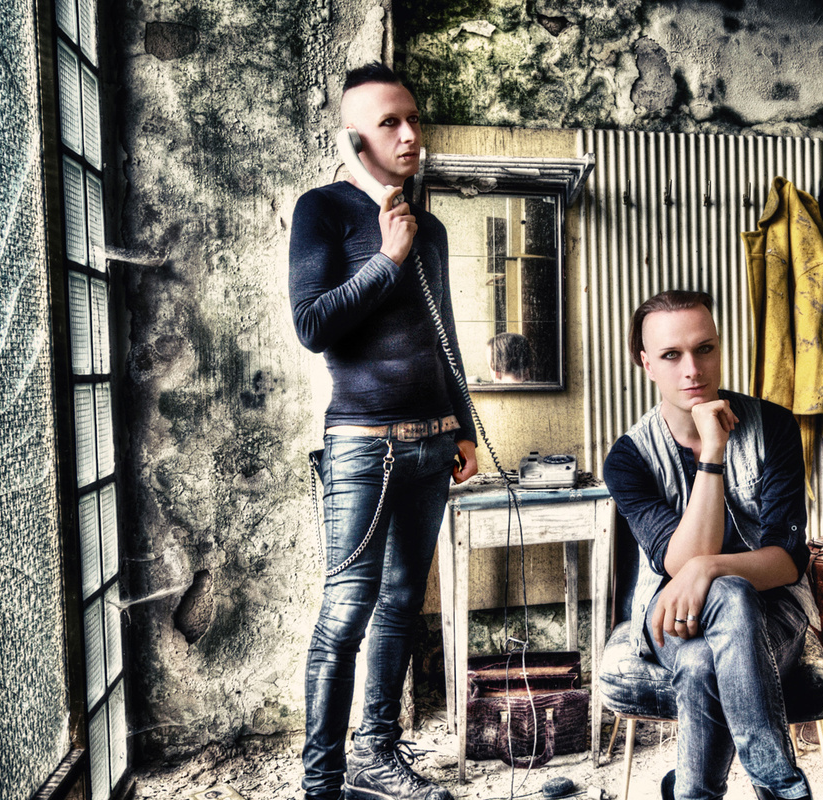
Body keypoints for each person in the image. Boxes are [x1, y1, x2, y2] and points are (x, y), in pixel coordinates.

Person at [288, 62, 478, 800]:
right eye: (390, 123)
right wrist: (387, 257)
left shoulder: (430, 227)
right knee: (346, 612)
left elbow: (444, 333)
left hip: (433, 443)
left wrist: (464, 426)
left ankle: (376, 756)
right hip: (364, 446)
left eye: (413, 119)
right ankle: (322, 784)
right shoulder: (323, 211)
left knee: (402, 605)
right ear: (353, 139)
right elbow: (313, 325)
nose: (409, 134)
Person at [602, 290, 819, 800]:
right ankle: (779, 783)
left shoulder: (774, 427)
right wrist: (713, 453)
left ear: (719, 347)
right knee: (728, 593)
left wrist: (707, 571)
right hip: (669, 616)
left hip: (773, 611)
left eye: (705, 349)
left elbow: (787, 563)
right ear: (646, 364)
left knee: (712, 641)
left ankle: (692, 790)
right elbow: (681, 562)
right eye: (671, 355)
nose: (693, 370)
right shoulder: (628, 458)